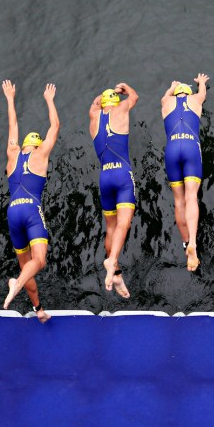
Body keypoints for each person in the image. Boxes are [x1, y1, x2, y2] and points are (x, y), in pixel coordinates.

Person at [1, 81, 57, 322]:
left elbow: (12, 125)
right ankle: (16, 284)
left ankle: (38, 309)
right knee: (39, 261)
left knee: (27, 264)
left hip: (13, 212)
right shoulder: (42, 153)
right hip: (31, 211)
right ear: (38, 145)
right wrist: (49, 100)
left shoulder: (12, 154)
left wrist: (10, 98)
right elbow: (55, 125)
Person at [89, 83, 139, 298]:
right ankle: (111, 260)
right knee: (124, 223)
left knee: (111, 227)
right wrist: (124, 88)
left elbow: (94, 103)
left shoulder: (93, 116)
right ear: (115, 103)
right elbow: (134, 96)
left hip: (105, 177)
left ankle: (116, 272)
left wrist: (105, 94)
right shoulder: (121, 109)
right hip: (122, 175)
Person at [162, 74, 208, 272]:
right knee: (192, 196)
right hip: (190, 146)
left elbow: (165, 95)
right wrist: (202, 82)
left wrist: (171, 87)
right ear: (189, 93)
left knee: (179, 200)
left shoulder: (166, 101)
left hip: (172, 148)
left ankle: (185, 242)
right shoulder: (196, 99)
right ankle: (194, 244)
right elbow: (202, 92)